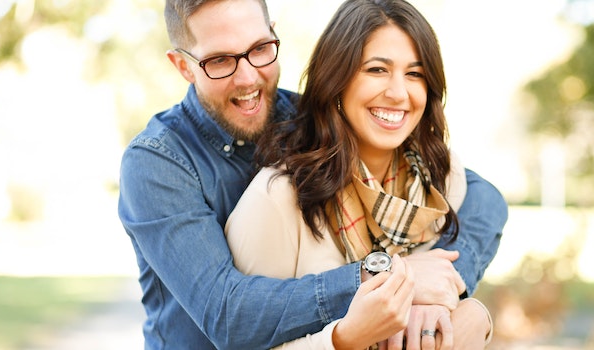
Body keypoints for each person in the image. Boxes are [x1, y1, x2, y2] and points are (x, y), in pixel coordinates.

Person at [117, 0, 508, 348]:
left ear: (274, 38)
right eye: (219, 60)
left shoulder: (312, 120)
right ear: (183, 65)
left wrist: (442, 285)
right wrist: (389, 280)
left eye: (259, 49)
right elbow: (227, 314)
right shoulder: (157, 162)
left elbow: (483, 198)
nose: (249, 78)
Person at [225, 0, 498, 348]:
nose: (399, 93)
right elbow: (242, 339)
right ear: (336, 79)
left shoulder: (441, 178)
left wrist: (472, 317)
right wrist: (344, 338)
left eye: (414, 74)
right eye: (377, 70)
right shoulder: (278, 198)